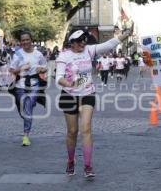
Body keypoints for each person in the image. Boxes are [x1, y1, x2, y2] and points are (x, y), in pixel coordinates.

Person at [56, 27, 132, 178]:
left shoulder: (89, 50)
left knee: (86, 129)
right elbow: (58, 77)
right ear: (72, 43)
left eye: (84, 40)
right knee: (72, 132)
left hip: (87, 93)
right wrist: (69, 84)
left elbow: (109, 44)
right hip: (69, 95)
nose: (83, 43)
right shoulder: (64, 56)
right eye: (79, 41)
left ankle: (88, 166)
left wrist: (125, 35)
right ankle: (71, 161)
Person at [9, 31, 47, 146]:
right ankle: (26, 109)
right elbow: (11, 70)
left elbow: (45, 67)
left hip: (34, 86)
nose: (25, 42)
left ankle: (26, 135)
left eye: (27, 39)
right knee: (23, 111)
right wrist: (21, 68)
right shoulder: (18, 54)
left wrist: (42, 70)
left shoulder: (38, 54)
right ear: (20, 42)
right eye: (23, 40)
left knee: (27, 111)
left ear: (31, 40)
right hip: (20, 86)